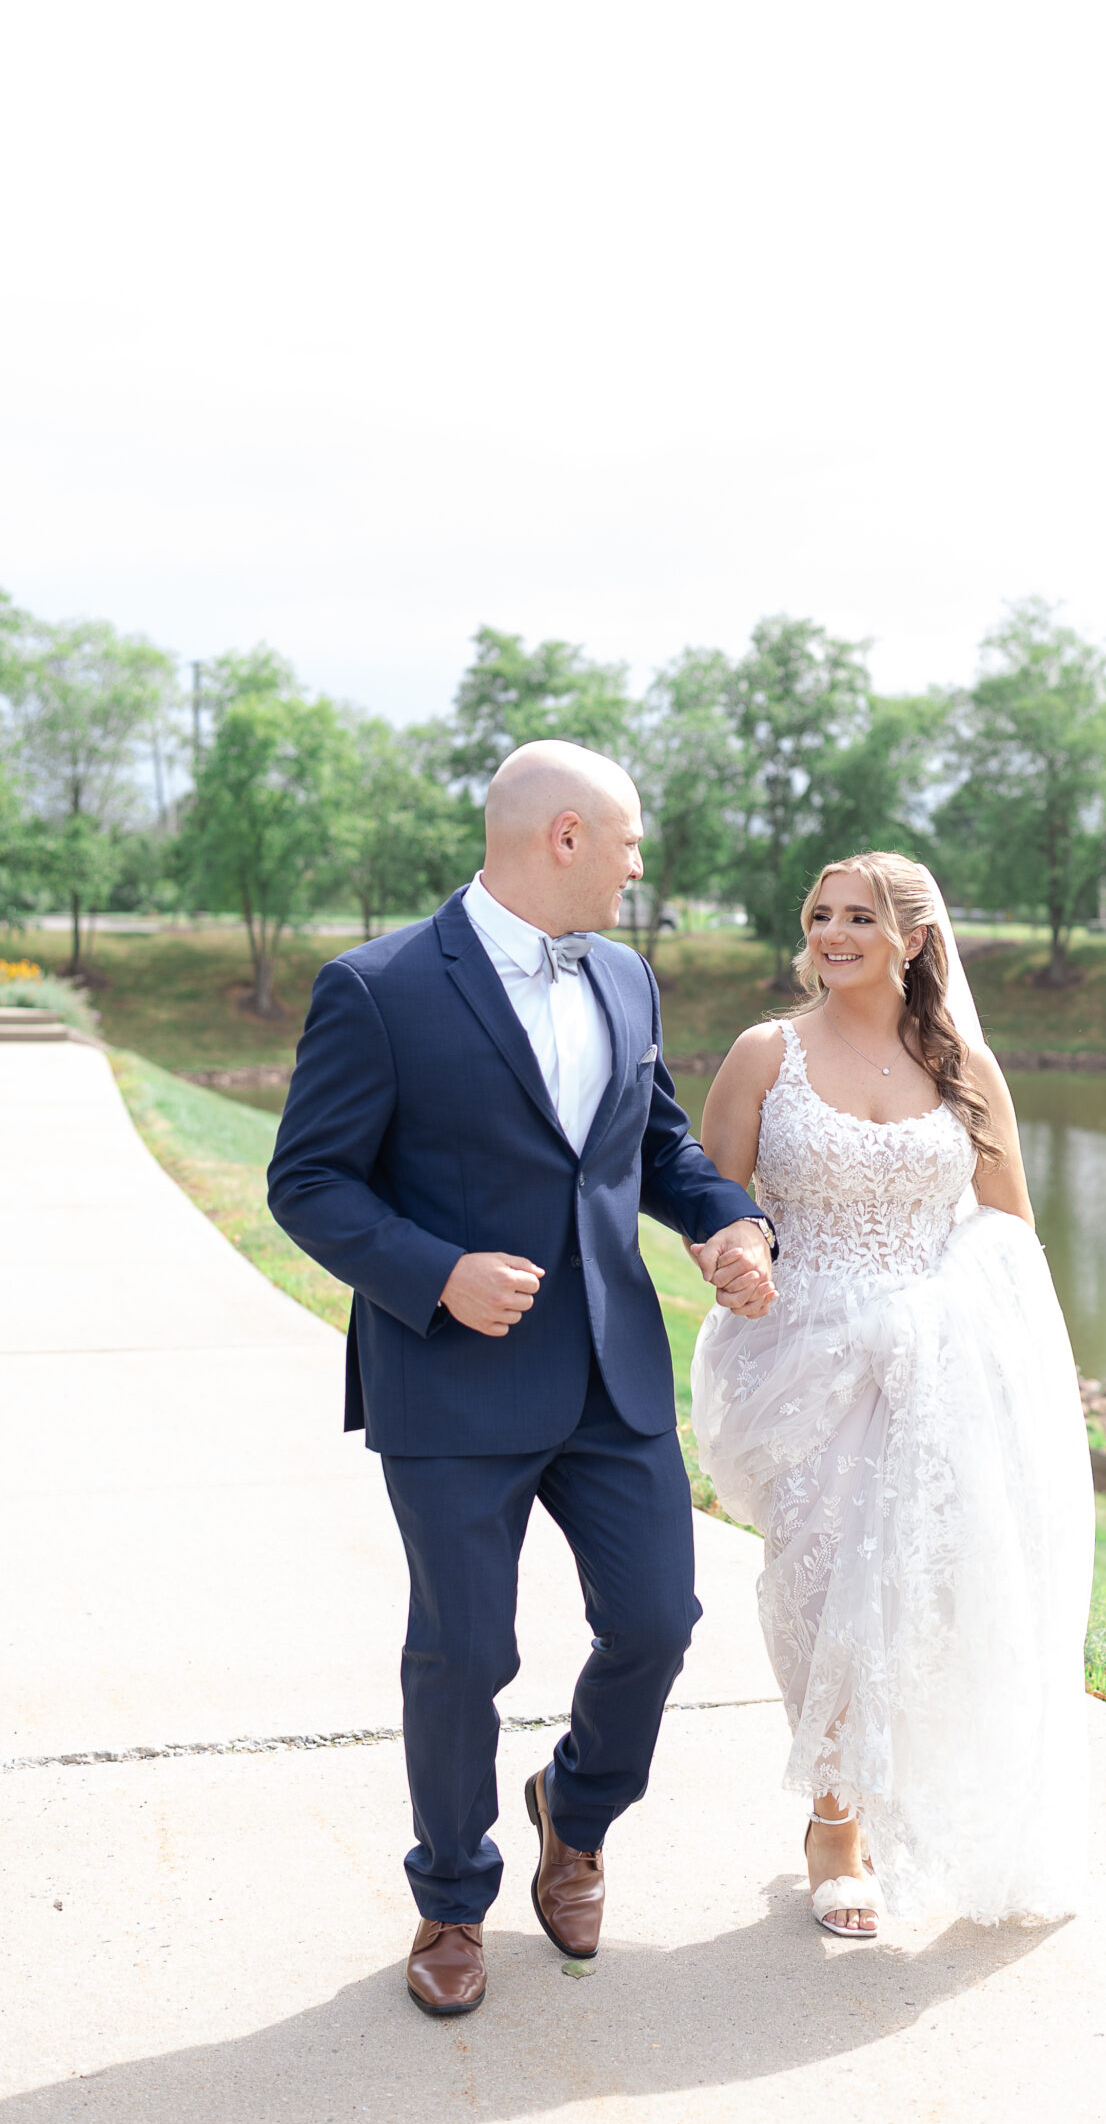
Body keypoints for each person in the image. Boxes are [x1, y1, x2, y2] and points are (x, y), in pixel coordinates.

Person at [268, 741, 775, 2017]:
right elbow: (309, 1180)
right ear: (563, 836)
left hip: (611, 1375)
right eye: (629, 844)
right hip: (450, 1382)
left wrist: (723, 1219)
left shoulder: (623, 977)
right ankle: (450, 1900)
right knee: (462, 1653)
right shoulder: (376, 988)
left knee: (660, 1621)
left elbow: (647, 1140)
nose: (639, 867)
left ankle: (579, 1807)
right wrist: (434, 1271)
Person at [691, 851, 1093, 1937]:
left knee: (923, 1594)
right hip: (798, 1358)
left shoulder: (959, 1064)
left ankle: (897, 1805)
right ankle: (832, 1824)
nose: (832, 932)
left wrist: (942, 1317)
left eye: (859, 916)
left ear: (911, 939)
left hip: (934, 1362)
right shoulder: (764, 1052)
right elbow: (709, 1192)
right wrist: (731, 1253)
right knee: (821, 1588)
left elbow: (1006, 1225)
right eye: (820, 914)